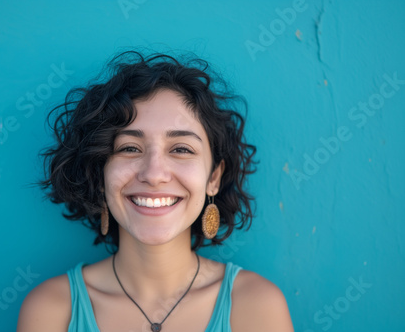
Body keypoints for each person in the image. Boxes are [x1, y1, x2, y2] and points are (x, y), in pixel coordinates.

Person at [17, 51, 294, 332]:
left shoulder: (256, 306)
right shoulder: (52, 310)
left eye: (181, 149)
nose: (153, 174)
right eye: (129, 148)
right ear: (100, 174)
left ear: (214, 177)